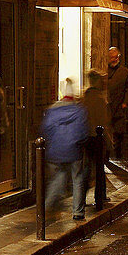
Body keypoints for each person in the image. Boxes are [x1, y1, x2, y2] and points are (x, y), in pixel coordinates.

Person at [41, 78, 90, 220]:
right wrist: (78, 142)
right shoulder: (80, 110)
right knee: (78, 178)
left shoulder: (52, 110)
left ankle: (46, 207)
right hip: (74, 151)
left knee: (58, 178)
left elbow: (45, 129)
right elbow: (83, 132)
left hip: (55, 151)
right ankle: (78, 212)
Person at [107, 47, 128, 157]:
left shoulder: (124, 71)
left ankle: (118, 154)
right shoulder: (104, 70)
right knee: (106, 132)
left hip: (119, 106)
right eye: (112, 57)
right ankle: (107, 155)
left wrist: (125, 102)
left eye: (116, 57)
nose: (114, 59)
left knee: (119, 132)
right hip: (107, 107)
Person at [81, 70, 112, 159]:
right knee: (97, 166)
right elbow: (103, 122)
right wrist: (108, 141)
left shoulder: (84, 98)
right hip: (96, 138)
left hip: (86, 137)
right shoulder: (99, 99)